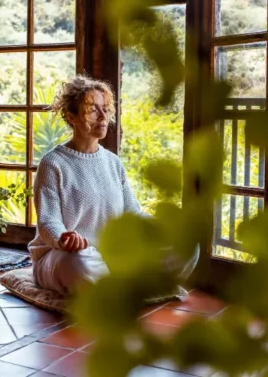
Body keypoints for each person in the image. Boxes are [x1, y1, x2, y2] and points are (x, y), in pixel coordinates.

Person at [28, 75, 199, 295]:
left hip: (112, 257)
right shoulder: (52, 163)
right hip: (62, 257)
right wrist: (63, 239)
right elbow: (48, 221)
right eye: (92, 110)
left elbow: (133, 213)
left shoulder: (112, 162)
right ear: (72, 117)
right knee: (78, 261)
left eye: (105, 109)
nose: (102, 117)